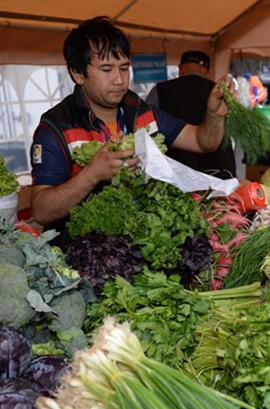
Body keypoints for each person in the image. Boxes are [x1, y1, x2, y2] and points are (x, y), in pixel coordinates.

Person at [29, 16, 230, 247]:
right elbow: (41, 210)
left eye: (124, 68)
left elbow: (203, 141)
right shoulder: (56, 127)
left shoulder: (140, 111)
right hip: (83, 255)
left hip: (142, 246)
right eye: (106, 69)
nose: (119, 80)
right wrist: (92, 174)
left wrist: (215, 115)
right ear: (78, 74)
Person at [146, 50, 236, 178]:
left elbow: (147, 130)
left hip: (173, 177)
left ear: (180, 69)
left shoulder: (159, 91)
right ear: (206, 70)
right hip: (218, 172)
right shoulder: (221, 94)